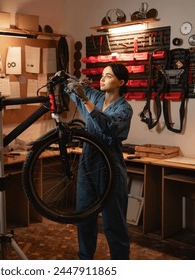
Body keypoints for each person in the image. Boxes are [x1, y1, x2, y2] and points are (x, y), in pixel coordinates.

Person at [66, 63, 133, 260]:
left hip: (110, 167)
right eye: (102, 75)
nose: (102, 79)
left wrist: (84, 98)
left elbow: (108, 126)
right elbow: (69, 85)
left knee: (114, 225)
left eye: (108, 76)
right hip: (88, 163)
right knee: (84, 220)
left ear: (120, 82)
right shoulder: (96, 96)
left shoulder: (124, 109)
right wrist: (68, 80)